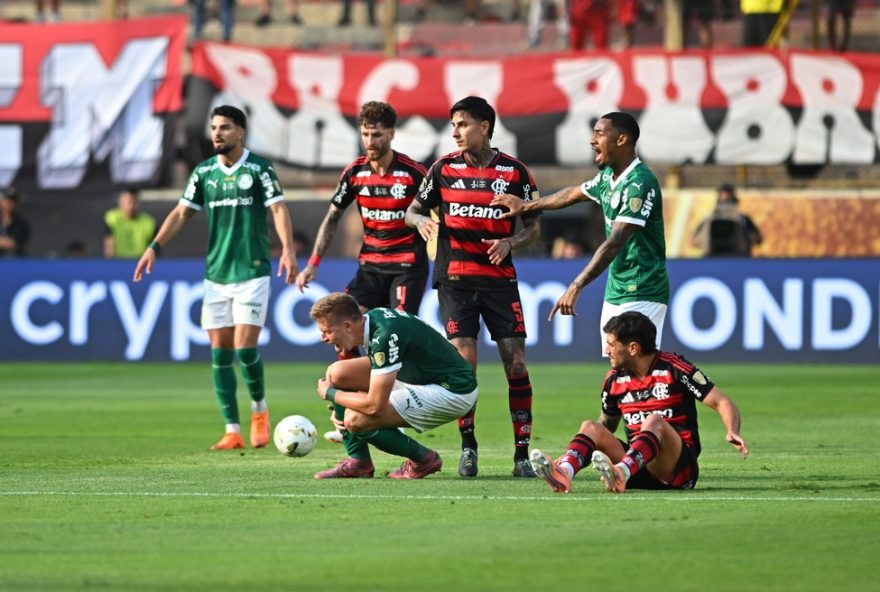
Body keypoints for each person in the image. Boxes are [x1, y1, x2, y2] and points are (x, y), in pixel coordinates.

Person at [133, 105, 298, 451]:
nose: (217, 134)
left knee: (244, 347)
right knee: (219, 352)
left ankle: (259, 410)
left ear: (240, 132)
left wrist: (287, 249)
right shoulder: (204, 172)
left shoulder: (258, 168)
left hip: (252, 270)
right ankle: (232, 429)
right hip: (216, 274)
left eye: (224, 127)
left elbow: (279, 208)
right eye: (213, 128)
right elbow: (181, 213)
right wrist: (154, 247)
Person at [405, 96, 541, 479]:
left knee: (515, 364)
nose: (455, 132)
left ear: (485, 126)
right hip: (455, 280)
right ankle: (469, 448)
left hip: (499, 281)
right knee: (464, 365)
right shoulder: (442, 168)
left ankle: (521, 455)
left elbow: (534, 226)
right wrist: (421, 224)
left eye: (463, 124)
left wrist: (511, 242)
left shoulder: (516, 172)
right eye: (453, 125)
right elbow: (412, 209)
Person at [296, 100, 428, 443]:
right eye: (366, 134)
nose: (370, 141)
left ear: (392, 134)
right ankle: (346, 413)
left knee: (396, 338)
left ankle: (393, 413)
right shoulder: (355, 172)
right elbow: (333, 218)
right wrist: (313, 263)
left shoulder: (414, 173)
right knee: (341, 327)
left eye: (377, 135)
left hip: (407, 268)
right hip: (370, 267)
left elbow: (439, 214)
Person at [490, 111, 669, 354]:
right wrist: (527, 205)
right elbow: (572, 194)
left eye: (599, 133)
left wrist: (576, 285)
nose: (592, 140)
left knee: (639, 367)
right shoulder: (607, 177)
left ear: (621, 139)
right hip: (617, 287)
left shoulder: (639, 183)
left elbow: (614, 242)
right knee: (618, 364)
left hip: (643, 286)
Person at [530, 311, 749, 494]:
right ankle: (564, 473)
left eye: (611, 344)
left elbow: (721, 401)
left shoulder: (674, 368)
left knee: (654, 421)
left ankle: (620, 473)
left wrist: (732, 431)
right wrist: (573, 455)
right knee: (590, 427)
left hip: (677, 469)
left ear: (633, 348)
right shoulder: (614, 380)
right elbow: (604, 428)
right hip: (638, 467)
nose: (606, 351)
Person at [310, 292, 478, 480]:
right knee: (337, 373)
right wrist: (344, 399)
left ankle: (424, 459)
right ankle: (359, 462)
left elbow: (374, 405)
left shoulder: (384, 336)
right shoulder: (374, 318)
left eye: (327, 331)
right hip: (418, 376)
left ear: (348, 326)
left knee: (355, 420)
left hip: (452, 391)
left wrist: (332, 394)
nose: (323, 338)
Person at [692, 183, 762, 257]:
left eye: (727, 194)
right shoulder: (708, 219)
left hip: (739, 256)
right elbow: (694, 240)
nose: (725, 197)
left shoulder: (743, 219)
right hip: (712, 256)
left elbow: (757, 238)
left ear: (733, 195)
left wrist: (748, 238)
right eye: (722, 194)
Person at [103, 188, 156, 259]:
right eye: (129, 202)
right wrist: (111, 263)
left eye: (134, 202)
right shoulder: (112, 218)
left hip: (140, 263)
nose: (131, 206)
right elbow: (109, 244)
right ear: (121, 202)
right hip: (118, 262)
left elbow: (154, 249)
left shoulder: (149, 222)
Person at [0, 188, 30, 257]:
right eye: (4, 200)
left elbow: (13, 243)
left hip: (14, 261)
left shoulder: (21, 223)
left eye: (12, 201)